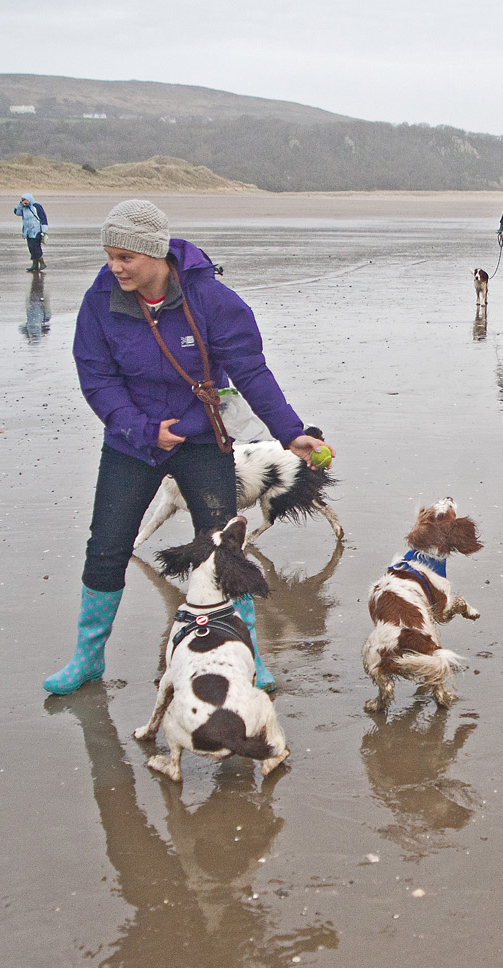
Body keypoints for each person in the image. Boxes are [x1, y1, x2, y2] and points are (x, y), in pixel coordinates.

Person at [45, 199, 333, 696]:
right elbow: (96, 376)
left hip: (203, 440)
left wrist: (290, 432)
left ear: (156, 253)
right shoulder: (100, 300)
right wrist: (140, 428)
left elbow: (250, 370)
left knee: (224, 548)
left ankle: (249, 654)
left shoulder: (210, 298)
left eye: (125, 257)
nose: (115, 267)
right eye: (109, 256)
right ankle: (87, 658)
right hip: (131, 443)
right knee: (107, 546)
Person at [15, 193, 48, 272]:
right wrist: (20, 204)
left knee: (35, 247)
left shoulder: (36, 207)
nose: (24, 201)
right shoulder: (23, 208)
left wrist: (44, 231)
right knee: (31, 248)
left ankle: (41, 262)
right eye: (22, 200)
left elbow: (43, 217)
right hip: (28, 231)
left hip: (36, 231)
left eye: (25, 200)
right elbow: (16, 212)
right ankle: (35, 264)